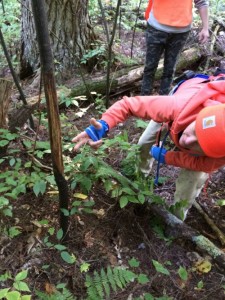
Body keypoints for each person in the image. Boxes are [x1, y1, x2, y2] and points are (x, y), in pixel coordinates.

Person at [72, 69, 225, 221]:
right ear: (200, 117)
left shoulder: (221, 153)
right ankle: (139, 179)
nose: (187, 141)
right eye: (195, 130)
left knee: (191, 181)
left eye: (200, 143)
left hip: (194, 130)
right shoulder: (176, 105)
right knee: (144, 143)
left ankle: (176, 219)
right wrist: (104, 124)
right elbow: (129, 105)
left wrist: (168, 157)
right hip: (186, 102)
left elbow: (202, 164)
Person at [141, 0, 209, 96]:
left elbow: (201, 2)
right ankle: (144, 100)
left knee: (170, 69)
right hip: (156, 27)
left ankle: (164, 103)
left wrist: (205, 28)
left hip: (181, 31)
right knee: (150, 68)